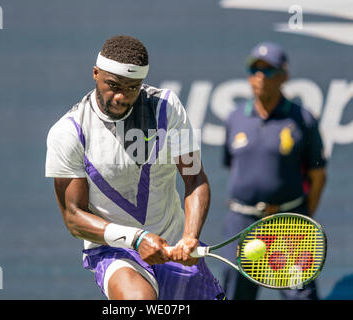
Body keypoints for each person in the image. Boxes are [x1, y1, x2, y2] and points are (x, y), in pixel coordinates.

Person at [45, 35, 225, 300]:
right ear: (95, 74)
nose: (121, 96)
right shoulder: (69, 132)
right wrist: (137, 238)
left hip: (173, 243)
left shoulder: (166, 107)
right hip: (116, 251)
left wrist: (189, 237)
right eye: (113, 85)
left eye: (132, 88)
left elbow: (194, 177)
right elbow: (73, 217)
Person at [221, 41, 327, 300]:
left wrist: (299, 217)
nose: (259, 77)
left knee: (301, 295)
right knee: (235, 294)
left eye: (268, 71)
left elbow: (318, 175)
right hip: (242, 223)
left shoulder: (302, 118)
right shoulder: (236, 117)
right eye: (254, 70)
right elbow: (232, 165)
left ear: (284, 76)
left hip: (287, 223)